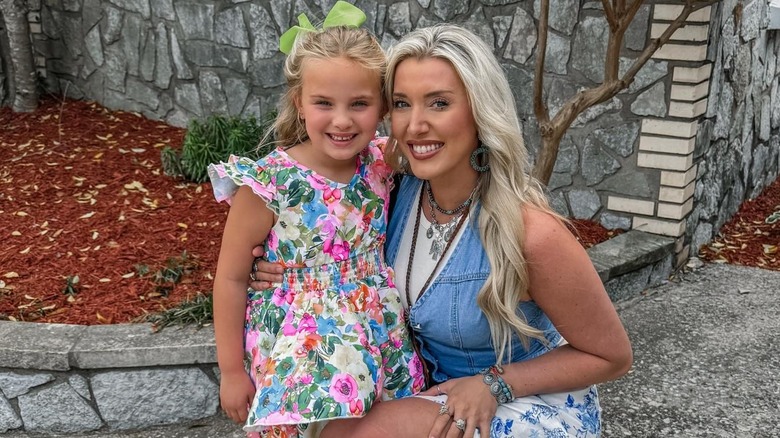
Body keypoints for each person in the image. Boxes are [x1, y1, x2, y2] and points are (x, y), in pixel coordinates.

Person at [250, 23, 633, 438]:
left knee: (361, 434)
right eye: (401, 103)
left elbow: (611, 356)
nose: (415, 126)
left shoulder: (531, 234)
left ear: (479, 110)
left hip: (529, 400)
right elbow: (327, 237)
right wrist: (279, 267)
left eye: (438, 103)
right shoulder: (392, 192)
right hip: (427, 388)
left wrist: (496, 382)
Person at [207, 4, 425, 436]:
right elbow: (230, 278)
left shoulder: (382, 162)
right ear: (299, 104)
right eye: (324, 103)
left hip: (375, 323)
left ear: (382, 106)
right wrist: (231, 371)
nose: (342, 120)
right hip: (296, 333)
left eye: (359, 103)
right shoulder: (270, 182)